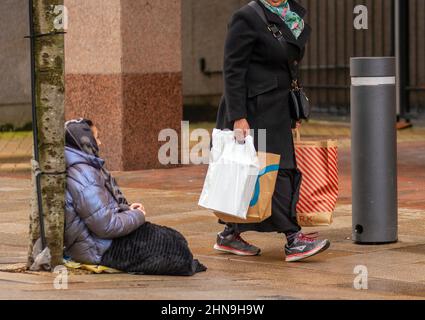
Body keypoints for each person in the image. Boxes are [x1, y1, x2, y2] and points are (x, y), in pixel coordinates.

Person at [215, 0, 330, 262]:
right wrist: (238, 117)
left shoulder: (291, 16)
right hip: (253, 111)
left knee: (258, 173)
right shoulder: (246, 17)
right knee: (272, 173)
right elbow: (233, 70)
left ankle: (229, 234)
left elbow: (289, 67)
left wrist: (294, 110)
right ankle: (292, 238)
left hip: (277, 107)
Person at [64, 118, 206, 276]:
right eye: (97, 137)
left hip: (100, 240)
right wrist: (137, 216)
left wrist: (127, 209)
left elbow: (101, 211)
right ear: (85, 141)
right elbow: (105, 226)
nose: (100, 142)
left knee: (174, 238)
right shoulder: (84, 174)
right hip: (99, 248)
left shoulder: (84, 166)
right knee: (173, 247)